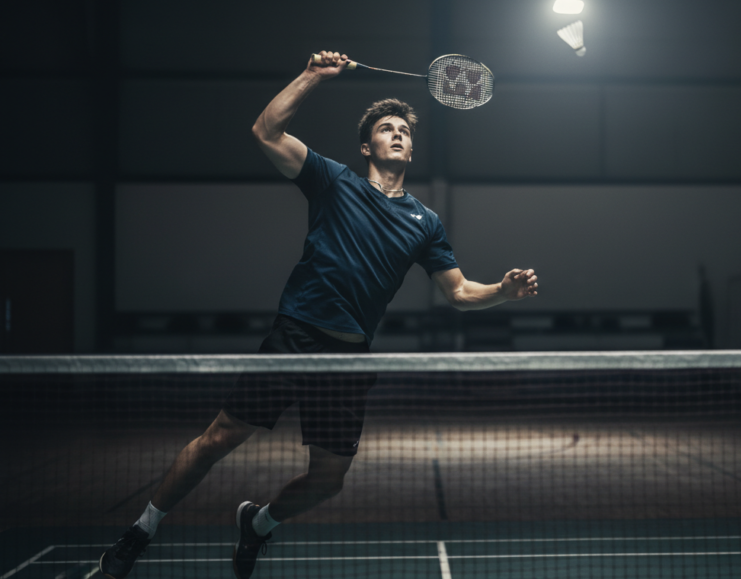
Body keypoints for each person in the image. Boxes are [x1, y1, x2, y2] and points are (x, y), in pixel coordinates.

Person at [99, 50, 539, 579]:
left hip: (348, 359)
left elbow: (461, 292)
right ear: (366, 145)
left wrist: (502, 291)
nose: (398, 134)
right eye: (386, 128)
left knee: (328, 480)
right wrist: (312, 75)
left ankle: (258, 525)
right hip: (295, 337)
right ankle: (140, 531)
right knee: (218, 439)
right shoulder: (334, 182)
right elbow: (265, 131)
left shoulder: (425, 222)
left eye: (404, 129)